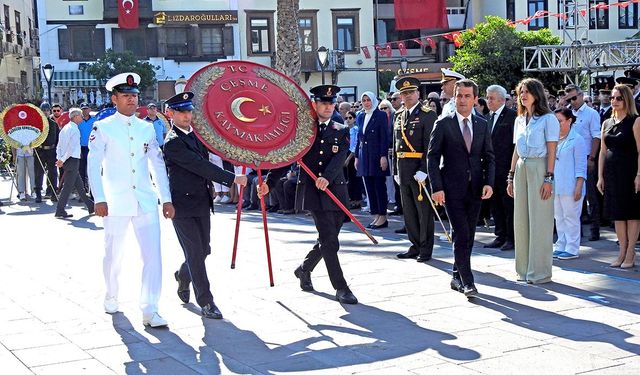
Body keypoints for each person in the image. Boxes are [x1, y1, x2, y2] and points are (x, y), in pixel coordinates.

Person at [87, 72, 175, 328]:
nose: (131, 100)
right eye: (126, 96)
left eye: (134, 96)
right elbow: (93, 165)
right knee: (114, 255)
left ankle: (150, 308)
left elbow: (157, 165)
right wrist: (99, 198)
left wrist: (165, 198)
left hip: (145, 201)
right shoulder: (102, 127)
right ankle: (112, 294)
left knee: (153, 256)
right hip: (115, 202)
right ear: (114, 99)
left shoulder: (146, 128)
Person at [258, 84, 358, 304]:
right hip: (313, 191)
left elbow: (341, 156)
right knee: (329, 241)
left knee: (328, 238)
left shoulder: (341, 130)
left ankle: (304, 269)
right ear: (314, 104)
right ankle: (341, 287)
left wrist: (328, 177)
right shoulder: (303, 132)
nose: (328, 107)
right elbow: (286, 159)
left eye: (331, 103)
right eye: (323, 103)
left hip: (335, 189)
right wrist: (270, 183)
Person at [162, 92, 247, 319]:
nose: (187, 116)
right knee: (195, 253)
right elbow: (201, 166)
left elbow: (216, 150)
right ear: (171, 114)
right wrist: (232, 178)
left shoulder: (195, 137)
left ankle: (182, 275)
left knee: (204, 250)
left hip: (201, 202)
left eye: (189, 111)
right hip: (182, 205)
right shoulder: (172, 143)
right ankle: (206, 302)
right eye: (181, 112)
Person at [428, 79, 495, 297]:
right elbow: (432, 157)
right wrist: (436, 187)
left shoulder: (482, 124)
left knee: (468, 234)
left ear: (476, 99)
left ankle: (456, 276)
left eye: (467, 96)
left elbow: (489, 157)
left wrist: (489, 182)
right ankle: (468, 281)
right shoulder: (443, 123)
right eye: (459, 96)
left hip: (475, 188)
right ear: (454, 97)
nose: (463, 100)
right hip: (451, 188)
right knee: (462, 233)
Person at [507, 78, 559, 284]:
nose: (523, 95)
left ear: (537, 94)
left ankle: (540, 272)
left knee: (540, 220)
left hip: (540, 166)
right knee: (521, 220)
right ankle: (523, 270)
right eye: (520, 92)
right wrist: (510, 176)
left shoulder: (548, 119)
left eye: (527, 91)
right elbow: (515, 150)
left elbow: (552, 150)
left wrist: (549, 178)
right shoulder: (519, 119)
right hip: (521, 168)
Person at [394, 77, 438, 262]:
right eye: (404, 93)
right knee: (409, 211)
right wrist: (396, 171)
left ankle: (426, 248)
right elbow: (395, 145)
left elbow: (431, 146)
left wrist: (424, 170)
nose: (408, 96)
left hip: (420, 170)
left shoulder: (428, 114)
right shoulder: (398, 115)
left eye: (411, 92)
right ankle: (415, 244)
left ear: (418, 93)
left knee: (423, 212)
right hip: (403, 170)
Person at [597, 84, 640, 268]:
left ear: (626, 100)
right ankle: (621, 251)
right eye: (612, 98)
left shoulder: (636, 121)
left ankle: (631, 253)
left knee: (631, 213)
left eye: (618, 98)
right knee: (617, 214)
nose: (614, 101)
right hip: (612, 174)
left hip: (630, 172)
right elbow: (602, 151)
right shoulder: (606, 122)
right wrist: (600, 176)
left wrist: (639, 174)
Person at [564, 84, 601, 241]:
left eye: (574, 98)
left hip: (586, 157)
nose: (572, 101)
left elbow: (596, 136)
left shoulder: (591, 113)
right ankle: (576, 231)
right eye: (569, 99)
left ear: (581, 95)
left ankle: (595, 229)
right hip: (569, 159)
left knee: (591, 196)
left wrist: (592, 158)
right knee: (572, 195)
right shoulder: (567, 113)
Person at [483, 85, 516, 251]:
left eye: (492, 98)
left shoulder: (512, 116)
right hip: (491, 169)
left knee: (508, 205)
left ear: (502, 100)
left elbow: (514, 145)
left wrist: (513, 170)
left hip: (507, 168)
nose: (488, 101)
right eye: (487, 98)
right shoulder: (486, 117)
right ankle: (500, 235)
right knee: (495, 204)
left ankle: (511, 238)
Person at [553, 108, 587, 260]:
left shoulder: (577, 139)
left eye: (559, 121)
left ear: (569, 120)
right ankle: (561, 245)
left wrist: (579, 186)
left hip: (571, 186)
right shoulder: (553, 139)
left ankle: (572, 248)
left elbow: (581, 166)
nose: (557, 124)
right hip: (556, 186)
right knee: (558, 217)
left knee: (571, 217)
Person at [355, 91, 390, 229]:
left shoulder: (380, 115)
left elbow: (384, 137)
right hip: (365, 155)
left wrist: (383, 156)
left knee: (379, 186)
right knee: (369, 186)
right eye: (363, 100)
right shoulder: (361, 116)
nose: (366, 103)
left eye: (368, 100)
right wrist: (357, 156)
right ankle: (375, 215)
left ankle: (383, 215)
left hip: (376, 155)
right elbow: (359, 138)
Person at [54, 107, 94, 218]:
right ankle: (60, 210)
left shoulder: (65, 128)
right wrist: (62, 159)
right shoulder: (74, 129)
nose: (82, 117)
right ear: (76, 117)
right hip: (72, 159)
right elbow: (71, 148)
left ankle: (90, 206)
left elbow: (60, 145)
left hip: (67, 159)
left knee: (79, 186)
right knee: (67, 187)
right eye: (80, 115)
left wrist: (60, 158)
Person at [34, 102, 59, 203]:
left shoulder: (54, 124)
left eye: (47, 110)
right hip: (40, 151)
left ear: (49, 111)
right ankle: (38, 194)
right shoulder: (36, 124)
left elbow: (57, 139)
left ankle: (53, 193)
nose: (45, 112)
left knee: (53, 173)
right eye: (43, 110)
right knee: (39, 173)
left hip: (51, 151)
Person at [344, 111, 364, 208]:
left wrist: (349, 158)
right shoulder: (346, 129)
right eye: (346, 118)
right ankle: (352, 199)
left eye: (350, 118)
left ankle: (357, 200)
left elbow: (355, 144)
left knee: (356, 178)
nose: (348, 120)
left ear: (355, 119)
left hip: (354, 154)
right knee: (350, 178)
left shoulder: (356, 129)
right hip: (346, 153)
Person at [78, 102, 95, 191]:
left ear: (89, 109)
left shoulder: (95, 120)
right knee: (81, 170)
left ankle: (92, 190)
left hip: (91, 148)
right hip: (81, 148)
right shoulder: (78, 121)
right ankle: (83, 190)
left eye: (86, 109)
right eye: (83, 109)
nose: (85, 111)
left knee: (91, 169)